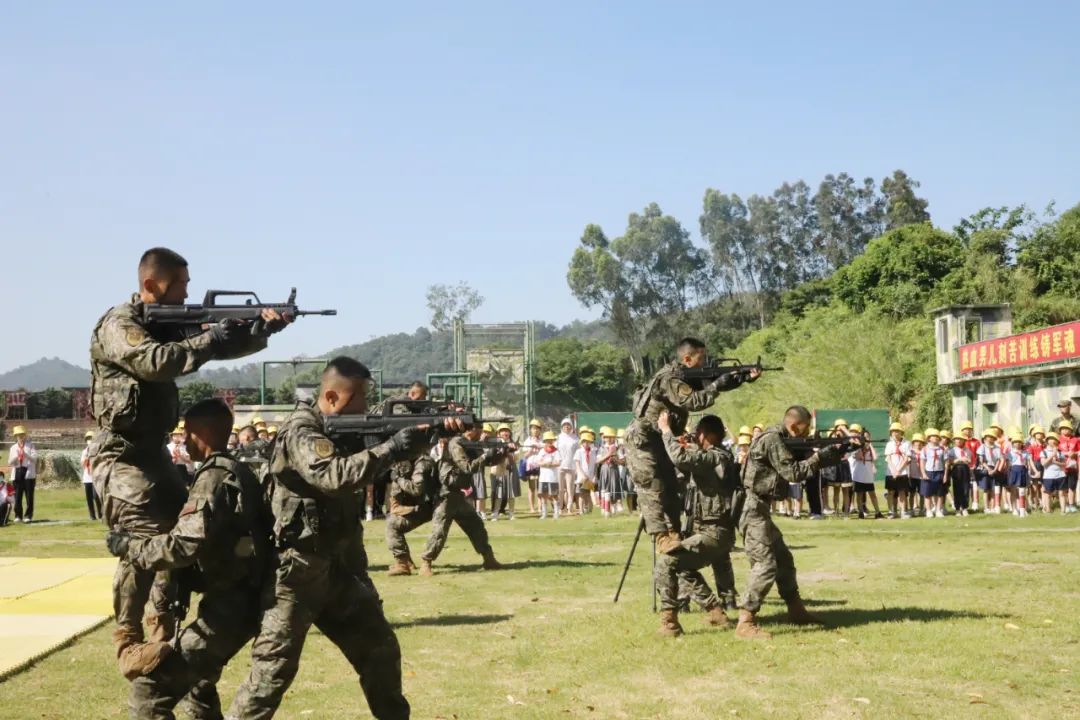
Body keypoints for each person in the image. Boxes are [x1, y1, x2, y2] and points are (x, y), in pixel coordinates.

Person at [90, 247, 289, 680]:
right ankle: (127, 641)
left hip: (154, 452)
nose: (186, 292)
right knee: (143, 533)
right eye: (179, 284)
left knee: (179, 530)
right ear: (150, 285)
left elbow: (215, 348)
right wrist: (211, 336)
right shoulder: (120, 325)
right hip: (120, 455)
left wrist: (261, 330)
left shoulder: (167, 324)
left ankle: (162, 628)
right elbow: (155, 362)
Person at [227, 357, 438, 720]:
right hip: (297, 572)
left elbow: (371, 462)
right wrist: (393, 447)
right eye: (360, 398)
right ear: (331, 397)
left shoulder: (340, 430)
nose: (367, 407)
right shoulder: (302, 430)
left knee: (380, 651)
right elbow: (334, 476)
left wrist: (423, 438)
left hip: (338, 570)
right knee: (271, 674)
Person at [105, 399, 272, 720]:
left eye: (188, 434)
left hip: (232, 607)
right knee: (197, 687)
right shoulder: (233, 470)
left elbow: (183, 545)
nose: (183, 441)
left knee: (148, 692)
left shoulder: (213, 478)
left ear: (203, 434)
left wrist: (130, 547)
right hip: (239, 597)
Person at [625, 337, 758, 555]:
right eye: (701, 358)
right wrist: (717, 385)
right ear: (687, 359)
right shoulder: (670, 379)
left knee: (671, 485)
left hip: (662, 439)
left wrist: (741, 378)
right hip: (643, 441)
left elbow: (708, 386)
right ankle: (661, 537)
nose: (705, 362)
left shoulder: (686, 377)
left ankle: (674, 533)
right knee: (652, 487)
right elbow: (694, 401)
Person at [734, 406, 847, 639]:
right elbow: (793, 474)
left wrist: (834, 453)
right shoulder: (773, 439)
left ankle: (796, 610)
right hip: (752, 508)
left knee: (784, 560)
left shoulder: (782, 439)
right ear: (794, 425)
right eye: (806, 428)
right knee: (765, 564)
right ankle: (745, 621)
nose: (807, 433)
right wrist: (819, 458)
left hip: (759, 508)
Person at [654, 412, 740, 636]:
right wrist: (685, 444)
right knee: (683, 567)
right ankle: (715, 611)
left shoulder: (717, 457)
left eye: (699, 432)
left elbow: (681, 459)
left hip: (714, 532)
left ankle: (669, 622)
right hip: (709, 531)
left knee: (666, 562)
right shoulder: (712, 456)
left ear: (709, 435)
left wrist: (666, 431)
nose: (695, 435)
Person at [418, 422, 509, 576]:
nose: (482, 433)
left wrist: (503, 452)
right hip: (446, 494)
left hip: (459, 495)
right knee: (439, 531)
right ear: (471, 430)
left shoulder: (471, 444)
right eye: (479, 430)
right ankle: (426, 562)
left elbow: (487, 462)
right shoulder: (456, 443)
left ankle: (489, 558)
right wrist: (485, 455)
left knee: (476, 526)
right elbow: (467, 467)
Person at [385, 455, 439, 576]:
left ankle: (402, 564)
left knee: (392, 525)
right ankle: (406, 562)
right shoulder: (404, 465)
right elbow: (395, 505)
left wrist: (399, 479)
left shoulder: (422, 464)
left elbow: (416, 489)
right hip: (420, 507)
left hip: (429, 506)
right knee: (392, 521)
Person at [848, 425, 882, 519]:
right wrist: (861, 445)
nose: (867, 439)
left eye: (868, 437)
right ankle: (861, 512)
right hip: (859, 473)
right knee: (859, 493)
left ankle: (877, 512)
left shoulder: (869, 447)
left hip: (868, 473)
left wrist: (870, 445)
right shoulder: (856, 446)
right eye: (865, 437)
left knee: (872, 493)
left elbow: (875, 457)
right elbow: (860, 456)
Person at [7, 425, 38, 523]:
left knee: (29, 496)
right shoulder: (13, 448)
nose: (20, 436)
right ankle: (18, 516)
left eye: (22, 434)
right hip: (17, 472)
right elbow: (10, 462)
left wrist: (26, 454)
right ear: (15, 436)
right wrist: (16, 457)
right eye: (18, 435)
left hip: (28, 472)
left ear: (25, 435)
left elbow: (34, 459)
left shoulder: (31, 446)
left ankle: (28, 515)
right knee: (17, 496)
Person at [490, 424, 520, 521]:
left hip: (510, 470)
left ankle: (511, 513)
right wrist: (503, 450)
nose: (505, 433)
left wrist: (510, 451)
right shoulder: (496, 443)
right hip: (499, 470)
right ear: (498, 433)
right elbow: (494, 455)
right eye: (502, 431)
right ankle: (495, 513)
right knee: (498, 494)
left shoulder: (513, 444)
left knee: (511, 494)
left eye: (507, 430)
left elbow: (516, 457)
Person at [884, 422, 910, 519]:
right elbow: (888, 458)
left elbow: (906, 458)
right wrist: (894, 470)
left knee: (902, 492)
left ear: (901, 432)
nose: (895, 433)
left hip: (902, 472)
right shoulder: (889, 444)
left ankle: (903, 511)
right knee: (890, 492)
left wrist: (899, 470)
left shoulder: (907, 444)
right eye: (893, 431)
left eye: (897, 431)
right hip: (890, 472)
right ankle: (891, 511)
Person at [1005, 433, 1035, 517]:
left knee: (1022, 491)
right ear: (1013, 443)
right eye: (1015, 442)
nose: (1017, 443)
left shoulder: (1025, 453)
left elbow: (1029, 463)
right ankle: (1014, 508)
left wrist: (1031, 471)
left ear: (1022, 443)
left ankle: (1022, 509)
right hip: (1013, 471)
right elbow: (1008, 465)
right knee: (1013, 491)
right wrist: (1008, 474)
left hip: (1023, 471)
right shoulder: (1010, 453)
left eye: (1019, 442)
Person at [976, 430, 1005, 514]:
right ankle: (986, 507)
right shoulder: (982, 447)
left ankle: (992, 507)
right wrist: (988, 469)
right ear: (985, 438)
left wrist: (995, 470)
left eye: (992, 437)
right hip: (985, 468)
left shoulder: (997, 448)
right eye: (989, 437)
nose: (990, 438)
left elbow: (999, 460)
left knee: (993, 489)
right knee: (986, 490)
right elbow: (981, 460)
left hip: (994, 468)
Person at [597, 427, 624, 516]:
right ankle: (605, 507)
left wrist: (616, 460)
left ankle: (614, 505)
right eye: (607, 437)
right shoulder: (601, 448)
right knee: (605, 488)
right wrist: (608, 455)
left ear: (614, 438)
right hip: (604, 469)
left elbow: (623, 462)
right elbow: (598, 461)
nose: (609, 439)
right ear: (604, 438)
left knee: (614, 487)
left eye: (611, 437)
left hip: (614, 469)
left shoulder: (617, 448)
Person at [948, 431, 974, 517]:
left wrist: (967, 460)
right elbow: (950, 462)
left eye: (960, 439)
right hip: (957, 469)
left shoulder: (967, 450)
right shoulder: (952, 450)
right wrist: (960, 459)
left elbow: (969, 460)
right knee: (957, 489)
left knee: (966, 488)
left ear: (964, 440)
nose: (958, 441)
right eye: (957, 439)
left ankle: (964, 507)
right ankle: (958, 508)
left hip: (965, 469)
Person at [521, 419, 544, 513]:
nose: (535, 430)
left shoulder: (542, 440)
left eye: (537, 428)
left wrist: (539, 447)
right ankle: (532, 508)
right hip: (530, 467)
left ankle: (540, 507)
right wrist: (531, 450)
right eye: (533, 428)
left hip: (541, 466)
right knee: (531, 488)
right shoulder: (527, 441)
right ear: (530, 429)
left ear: (540, 430)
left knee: (540, 487)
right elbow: (524, 455)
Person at [537, 431, 561, 519]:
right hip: (543, 478)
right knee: (544, 496)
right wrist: (545, 464)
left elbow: (558, 462)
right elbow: (539, 462)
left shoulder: (556, 451)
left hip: (553, 478)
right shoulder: (542, 451)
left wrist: (550, 464)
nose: (549, 442)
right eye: (547, 440)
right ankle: (544, 513)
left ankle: (556, 512)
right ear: (545, 441)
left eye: (551, 440)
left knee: (554, 495)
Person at [573, 428, 597, 515]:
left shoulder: (593, 452)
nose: (586, 443)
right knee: (581, 494)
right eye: (585, 442)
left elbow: (595, 465)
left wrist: (595, 476)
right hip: (581, 478)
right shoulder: (578, 451)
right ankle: (581, 510)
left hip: (590, 477)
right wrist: (582, 475)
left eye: (588, 442)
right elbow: (577, 464)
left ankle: (590, 510)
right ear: (582, 442)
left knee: (589, 494)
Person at [1057, 421, 1079, 513]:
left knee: (1072, 487)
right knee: (1063, 488)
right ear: (1060, 430)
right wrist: (1065, 453)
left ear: (1071, 430)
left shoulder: (1076, 440)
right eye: (1063, 428)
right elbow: (1055, 452)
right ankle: (1065, 505)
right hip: (1061, 468)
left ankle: (1071, 505)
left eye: (1067, 428)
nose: (1065, 430)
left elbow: (1079, 451)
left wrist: (1074, 453)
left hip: (1072, 467)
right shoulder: (1057, 440)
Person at [1040, 433, 1066, 513]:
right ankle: (1048, 509)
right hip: (1048, 476)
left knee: (1061, 493)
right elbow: (1043, 464)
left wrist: (1056, 461)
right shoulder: (1044, 452)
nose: (1052, 441)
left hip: (1060, 475)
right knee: (1048, 494)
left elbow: (1064, 464)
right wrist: (1052, 455)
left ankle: (1063, 510)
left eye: (1054, 439)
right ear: (1047, 441)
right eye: (1050, 439)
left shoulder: (1060, 452)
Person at [556, 418, 578, 514]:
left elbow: (578, 453)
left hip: (571, 466)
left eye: (568, 425)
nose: (567, 427)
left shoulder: (575, 438)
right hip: (560, 466)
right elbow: (555, 450)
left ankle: (569, 507)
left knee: (570, 488)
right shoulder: (558, 438)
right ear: (562, 427)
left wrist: (577, 467)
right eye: (565, 425)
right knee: (560, 489)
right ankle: (560, 507)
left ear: (571, 426)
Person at [959, 421, 982, 511]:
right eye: (966, 429)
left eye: (970, 429)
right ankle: (964, 503)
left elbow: (979, 455)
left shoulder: (976, 442)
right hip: (963, 467)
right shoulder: (960, 441)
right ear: (962, 430)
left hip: (974, 467)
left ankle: (975, 503)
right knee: (964, 486)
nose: (968, 431)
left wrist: (975, 465)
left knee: (974, 484)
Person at [81, 430, 103, 520]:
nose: (89, 440)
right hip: (87, 478)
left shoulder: (99, 451)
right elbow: (83, 465)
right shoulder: (84, 451)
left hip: (96, 477)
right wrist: (87, 456)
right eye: (88, 438)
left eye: (91, 438)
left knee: (96, 496)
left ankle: (101, 514)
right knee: (89, 498)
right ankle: (92, 515)